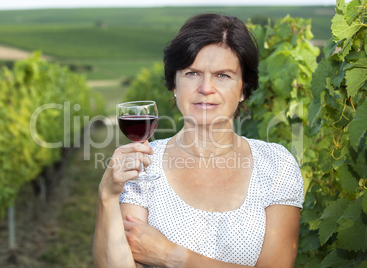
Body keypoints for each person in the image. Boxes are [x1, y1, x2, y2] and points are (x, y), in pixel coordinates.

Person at [93, 13, 304, 268]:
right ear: (174, 84)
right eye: (192, 73)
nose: (206, 88)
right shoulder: (144, 166)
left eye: (223, 75)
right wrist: (107, 196)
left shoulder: (276, 165)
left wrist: (173, 256)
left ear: (243, 89)